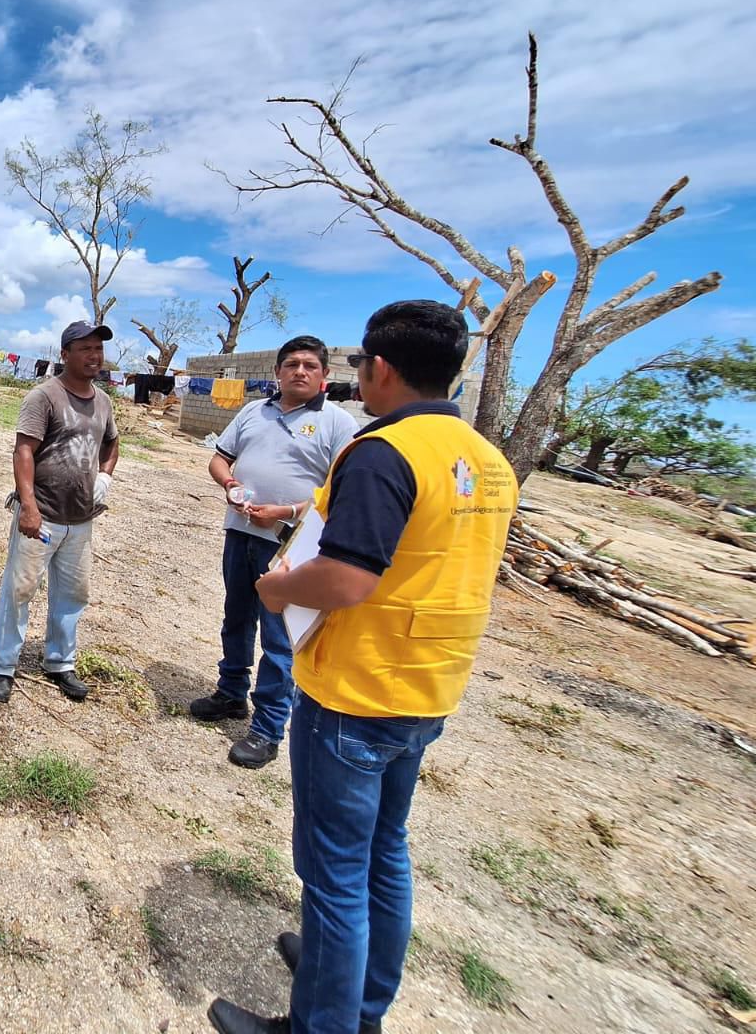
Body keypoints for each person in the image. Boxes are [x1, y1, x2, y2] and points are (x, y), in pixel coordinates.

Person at [207, 300, 518, 1034]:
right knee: (384, 851)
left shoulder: (382, 452)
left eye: (353, 367)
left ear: (378, 368)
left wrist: (278, 588)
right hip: (428, 687)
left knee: (335, 873)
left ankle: (322, 1021)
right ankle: (359, 996)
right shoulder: (486, 459)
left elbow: (346, 578)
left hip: (357, 690)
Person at [190, 337, 360, 768]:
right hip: (241, 532)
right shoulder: (253, 411)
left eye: (308, 366)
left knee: (279, 637)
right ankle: (231, 693)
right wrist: (230, 485)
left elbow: (340, 489)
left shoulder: (338, 424)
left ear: (324, 376)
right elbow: (220, 459)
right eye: (290, 365)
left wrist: (286, 511)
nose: (299, 372)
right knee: (237, 615)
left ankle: (267, 728)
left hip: (291, 545)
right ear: (278, 372)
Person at [0, 320, 120, 704]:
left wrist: (105, 479)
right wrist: (28, 507)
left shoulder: (104, 402)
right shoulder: (44, 396)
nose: (95, 356)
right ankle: (2, 666)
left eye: (99, 349)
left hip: (80, 519)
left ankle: (60, 662)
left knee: (73, 594)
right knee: (20, 589)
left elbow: (112, 444)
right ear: (65, 354)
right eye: (85, 349)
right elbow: (24, 450)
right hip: (40, 515)